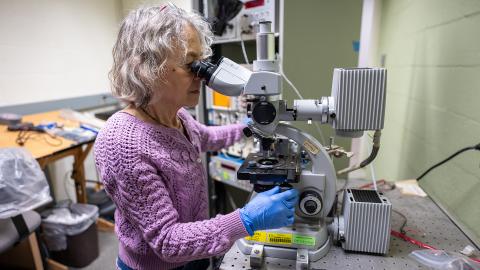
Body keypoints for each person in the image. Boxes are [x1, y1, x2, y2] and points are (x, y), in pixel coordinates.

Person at [94, 4, 298, 270]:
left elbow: (206, 137)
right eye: (191, 64)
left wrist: (251, 127)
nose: (202, 76)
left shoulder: (175, 115)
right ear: (147, 67)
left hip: (194, 256)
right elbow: (167, 241)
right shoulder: (122, 143)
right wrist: (247, 220)